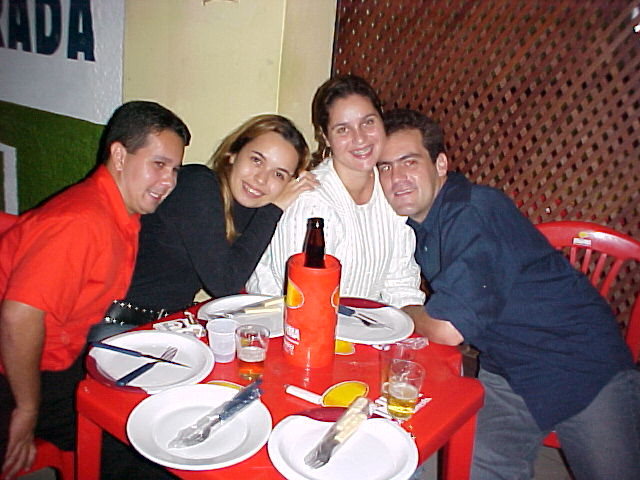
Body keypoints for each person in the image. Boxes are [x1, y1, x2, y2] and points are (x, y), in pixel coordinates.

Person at [377, 108, 640, 480]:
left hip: (579, 364)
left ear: (440, 164)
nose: (396, 177)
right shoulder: (424, 222)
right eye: (385, 167)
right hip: (507, 370)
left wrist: (404, 313)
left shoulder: (471, 211)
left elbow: (448, 329)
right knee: (473, 468)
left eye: (409, 161)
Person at [0, 101, 190, 479]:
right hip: (17, 371)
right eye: (158, 164)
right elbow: (18, 317)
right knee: (138, 452)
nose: (168, 181)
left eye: (174, 170)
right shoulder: (83, 221)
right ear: (119, 156)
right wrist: (28, 408)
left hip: (56, 359)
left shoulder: (119, 212)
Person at [98, 114, 316, 331]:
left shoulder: (250, 210)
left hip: (164, 326)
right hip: (115, 324)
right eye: (256, 160)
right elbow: (225, 283)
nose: (261, 178)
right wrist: (274, 209)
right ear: (233, 154)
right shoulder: (198, 185)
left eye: (278, 174)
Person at [247, 75, 424, 308]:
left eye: (368, 122)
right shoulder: (310, 202)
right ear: (325, 137)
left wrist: (412, 322)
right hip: (287, 320)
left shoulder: (390, 188)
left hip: (363, 324)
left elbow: (401, 286)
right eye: (343, 129)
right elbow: (301, 301)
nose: (359, 138)